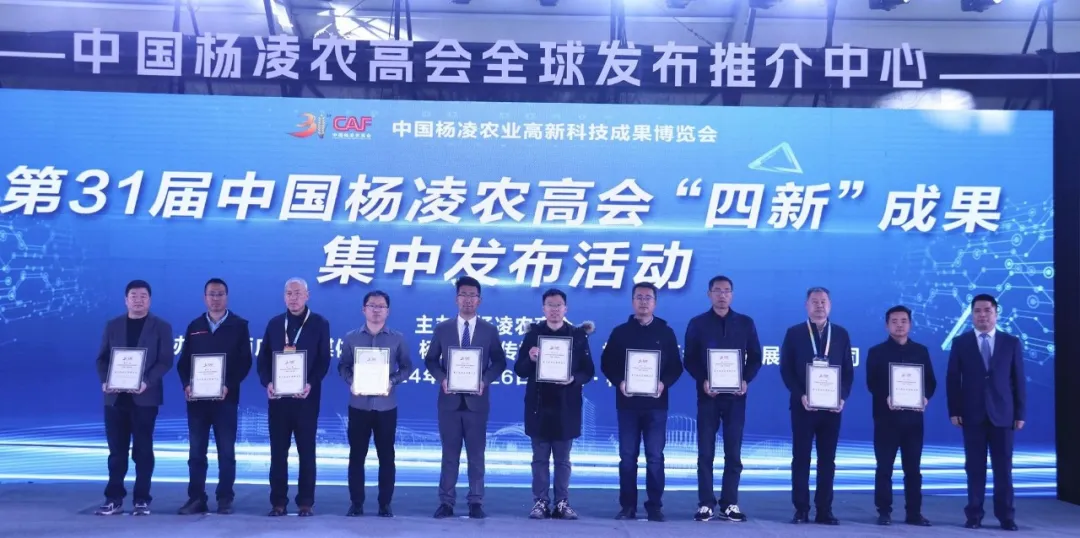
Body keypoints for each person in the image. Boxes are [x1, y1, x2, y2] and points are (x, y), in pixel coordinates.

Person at [424, 276, 508, 519]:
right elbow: (431, 360)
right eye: (463, 295)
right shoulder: (443, 329)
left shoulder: (489, 330)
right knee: (449, 455)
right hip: (449, 402)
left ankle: (476, 501)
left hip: (477, 402)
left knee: (476, 455)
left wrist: (485, 380)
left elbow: (499, 361)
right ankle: (446, 502)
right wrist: (442, 378)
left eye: (473, 295)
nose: (468, 300)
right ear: (456, 299)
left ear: (479, 300)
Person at [600, 281, 683, 522]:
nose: (643, 302)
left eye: (648, 297)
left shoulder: (665, 332)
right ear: (632, 301)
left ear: (655, 302)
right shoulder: (620, 332)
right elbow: (607, 363)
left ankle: (654, 506)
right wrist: (619, 382)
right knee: (627, 457)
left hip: (656, 405)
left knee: (655, 457)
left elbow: (676, 366)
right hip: (628, 404)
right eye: (639, 297)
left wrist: (663, 383)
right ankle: (628, 506)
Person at [683, 275, 762, 522]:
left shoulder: (745, 323)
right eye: (717, 290)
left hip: (736, 398)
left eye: (727, 290)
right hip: (708, 396)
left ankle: (729, 503)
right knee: (705, 452)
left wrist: (745, 379)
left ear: (732, 295)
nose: (722, 295)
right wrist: (703, 380)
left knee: (733, 452)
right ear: (709, 294)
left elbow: (756, 357)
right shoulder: (697, 323)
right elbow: (690, 359)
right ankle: (706, 503)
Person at [94, 279, 174, 516]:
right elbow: (102, 359)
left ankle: (142, 499)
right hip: (115, 399)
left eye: (143, 296)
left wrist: (146, 381)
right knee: (116, 452)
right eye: (133, 296)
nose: (138, 300)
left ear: (150, 300)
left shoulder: (161, 327)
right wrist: (105, 380)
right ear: (125, 300)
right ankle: (114, 498)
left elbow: (165, 361)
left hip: (145, 398)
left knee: (143, 451)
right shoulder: (113, 325)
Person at [514, 288, 596, 520]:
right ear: (543, 308)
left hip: (566, 406)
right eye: (550, 305)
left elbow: (588, 371)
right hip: (539, 405)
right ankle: (540, 501)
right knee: (540, 459)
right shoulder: (533, 334)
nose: (554, 309)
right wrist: (530, 359)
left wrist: (573, 379)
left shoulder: (577, 335)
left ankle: (562, 502)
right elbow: (519, 370)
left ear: (565, 309)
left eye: (558, 305)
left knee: (562, 460)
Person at [946, 294, 1026, 531]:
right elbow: (953, 379)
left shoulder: (1011, 342)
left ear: (996, 313)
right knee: (974, 468)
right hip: (972, 415)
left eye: (987, 310)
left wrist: (1020, 413)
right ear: (972, 315)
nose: (982, 315)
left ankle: (1006, 516)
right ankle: (974, 515)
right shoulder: (961, 343)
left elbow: (1018, 380)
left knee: (1004, 470)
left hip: (1003, 415)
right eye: (978, 311)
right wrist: (954, 410)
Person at [176, 278, 252, 516]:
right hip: (197, 402)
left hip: (226, 400)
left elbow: (245, 362)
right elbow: (183, 363)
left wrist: (228, 385)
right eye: (211, 294)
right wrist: (187, 385)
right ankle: (196, 498)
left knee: (226, 452)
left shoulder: (239, 325)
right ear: (204, 298)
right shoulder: (195, 326)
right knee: (196, 453)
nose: (216, 298)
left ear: (226, 297)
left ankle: (225, 498)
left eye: (220, 294)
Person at [256, 277, 331, 517]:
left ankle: (305, 502)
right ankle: (278, 502)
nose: (293, 298)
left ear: (307, 295)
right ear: (284, 296)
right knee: (278, 453)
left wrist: (310, 383)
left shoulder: (319, 323)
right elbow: (263, 360)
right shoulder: (275, 324)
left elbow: (324, 361)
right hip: (278, 401)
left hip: (306, 399)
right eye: (289, 293)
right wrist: (267, 382)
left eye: (298, 293)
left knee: (306, 452)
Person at [779, 286, 853, 525]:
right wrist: (800, 394)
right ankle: (801, 509)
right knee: (801, 458)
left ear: (830, 305)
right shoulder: (794, 333)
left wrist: (842, 397)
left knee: (827, 460)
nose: (819, 305)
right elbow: (786, 370)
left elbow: (848, 372)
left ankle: (824, 510)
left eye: (823, 301)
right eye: (814, 301)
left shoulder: (841, 334)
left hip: (832, 409)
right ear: (806, 305)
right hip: (803, 407)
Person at [339, 290, 413, 518]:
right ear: (364, 309)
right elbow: (343, 366)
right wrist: (352, 381)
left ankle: (385, 504)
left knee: (386, 457)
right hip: (358, 405)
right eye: (372, 305)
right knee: (356, 456)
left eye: (381, 306)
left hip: (386, 406)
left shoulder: (397, 338)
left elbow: (407, 367)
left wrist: (392, 381)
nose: (376, 310)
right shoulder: (351, 338)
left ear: (388, 311)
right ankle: (356, 503)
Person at [865, 305, 935, 526]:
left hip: (913, 421)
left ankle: (914, 513)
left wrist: (925, 397)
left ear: (910, 324)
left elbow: (930, 382)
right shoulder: (876, 352)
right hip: (886, 420)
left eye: (903, 321)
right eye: (894, 321)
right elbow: (871, 383)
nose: (899, 325)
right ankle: (884, 512)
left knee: (913, 469)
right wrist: (886, 396)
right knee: (884, 468)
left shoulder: (921, 351)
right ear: (887, 325)